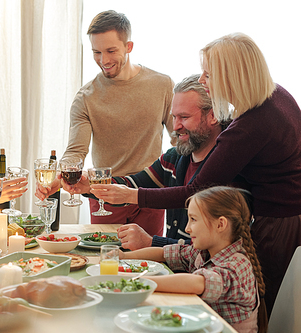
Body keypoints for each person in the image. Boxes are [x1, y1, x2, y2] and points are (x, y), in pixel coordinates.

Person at [91, 32, 301, 317]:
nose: (203, 80)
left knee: (259, 306)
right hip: (288, 216)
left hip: (273, 223)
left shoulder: (248, 127)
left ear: (231, 76)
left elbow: (195, 191)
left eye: (208, 74)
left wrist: (133, 196)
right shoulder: (277, 95)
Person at [64, 74, 229, 249]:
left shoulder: (226, 166)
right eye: (174, 117)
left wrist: (151, 242)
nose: (176, 126)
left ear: (213, 116)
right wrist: (88, 186)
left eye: (184, 117)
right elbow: (134, 184)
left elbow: (205, 250)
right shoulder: (174, 158)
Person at [46, 10, 175, 234]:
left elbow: (179, 141)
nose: (103, 60)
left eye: (111, 51)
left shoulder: (162, 85)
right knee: (104, 261)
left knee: (150, 265)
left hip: (148, 194)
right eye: (96, 52)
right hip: (104, 195)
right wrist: (62, 173)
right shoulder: (86, 97)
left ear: (129, 46)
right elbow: (76, 150)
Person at [122, 186, 267, 333]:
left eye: (193, 219)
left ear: (220, 224)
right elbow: (163, 253)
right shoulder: (203, 252)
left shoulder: (238, 265)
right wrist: (123, 257)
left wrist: (141, 282)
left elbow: (198, 283)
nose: (187, 228)